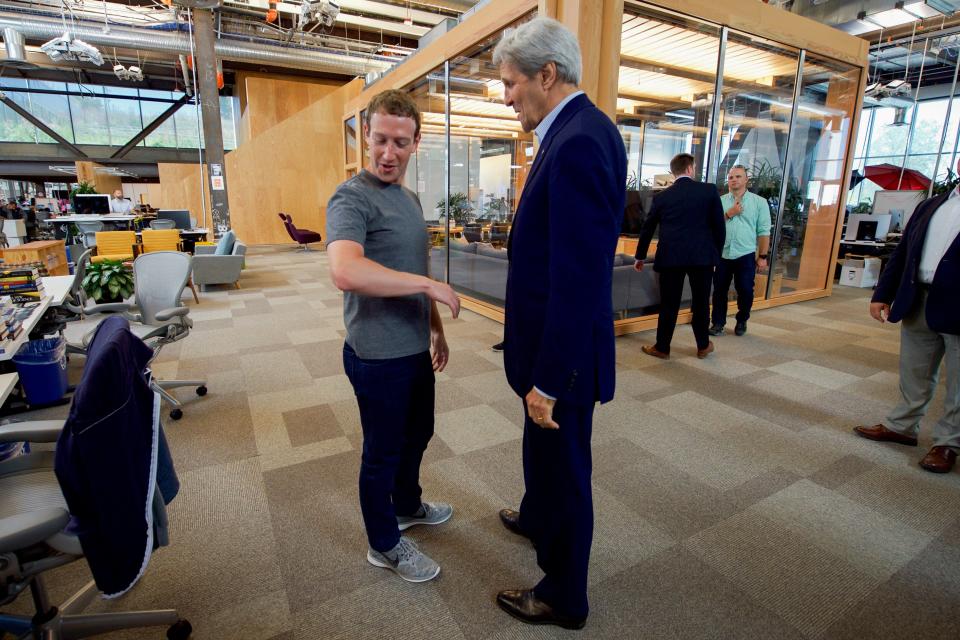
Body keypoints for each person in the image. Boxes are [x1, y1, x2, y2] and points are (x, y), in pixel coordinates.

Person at [493, 17, 626, 630]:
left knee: (566, 469)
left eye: (512, 82)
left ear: (548, 74)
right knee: (541, 455)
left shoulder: (577, 141)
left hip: (562, 358)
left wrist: (548, 378)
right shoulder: (572, 129)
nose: (507, 94)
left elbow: (579, 278)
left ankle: (563, 595)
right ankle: (537, 515)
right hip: (546, 345)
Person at [326, 89, 460, 583]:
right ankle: (384, 543)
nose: (388, 153)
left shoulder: (410, 198)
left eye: (400, 143)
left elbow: (412, 264)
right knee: (381, 453)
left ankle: (406, 506)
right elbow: (346, 270)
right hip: (376, 353)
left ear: (416, 142)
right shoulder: (350, 197)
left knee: (418, 434)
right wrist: (428, 286)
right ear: (367, 136)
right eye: (380, 140)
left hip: (414, 347)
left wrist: (435, 328)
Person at [854, 164, 960, 474]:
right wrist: (881, 294)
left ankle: (948, 443)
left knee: (957, 382)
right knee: (914, 370)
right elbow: (904, 252)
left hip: (957, 305)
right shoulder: (932, 204)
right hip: (918, 297)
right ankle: (902, 426)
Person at [634, 153, 725, 360]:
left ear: (673, 172)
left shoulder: (662, 197)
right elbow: (719, 227)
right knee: (701, 302)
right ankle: (703, 346)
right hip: (702, 258)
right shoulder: (709, 191)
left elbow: (647, 228)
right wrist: (715, 256)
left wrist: (639, 256)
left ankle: (662, 348)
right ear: (690, 169)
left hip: (670, 258)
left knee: (669, 303)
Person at [709, 165, 771, 337]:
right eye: (731, 177)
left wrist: (763, 256)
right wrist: (729, 213)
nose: (734, 179)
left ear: (746, 180)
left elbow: (764, 232)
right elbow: (711, 226)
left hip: (745, 254)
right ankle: (718, 323)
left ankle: (742, 319)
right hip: (723, 254)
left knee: (745, 289)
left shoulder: (759, 202)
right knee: (719, 290)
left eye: (738, 176)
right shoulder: (719, 201)